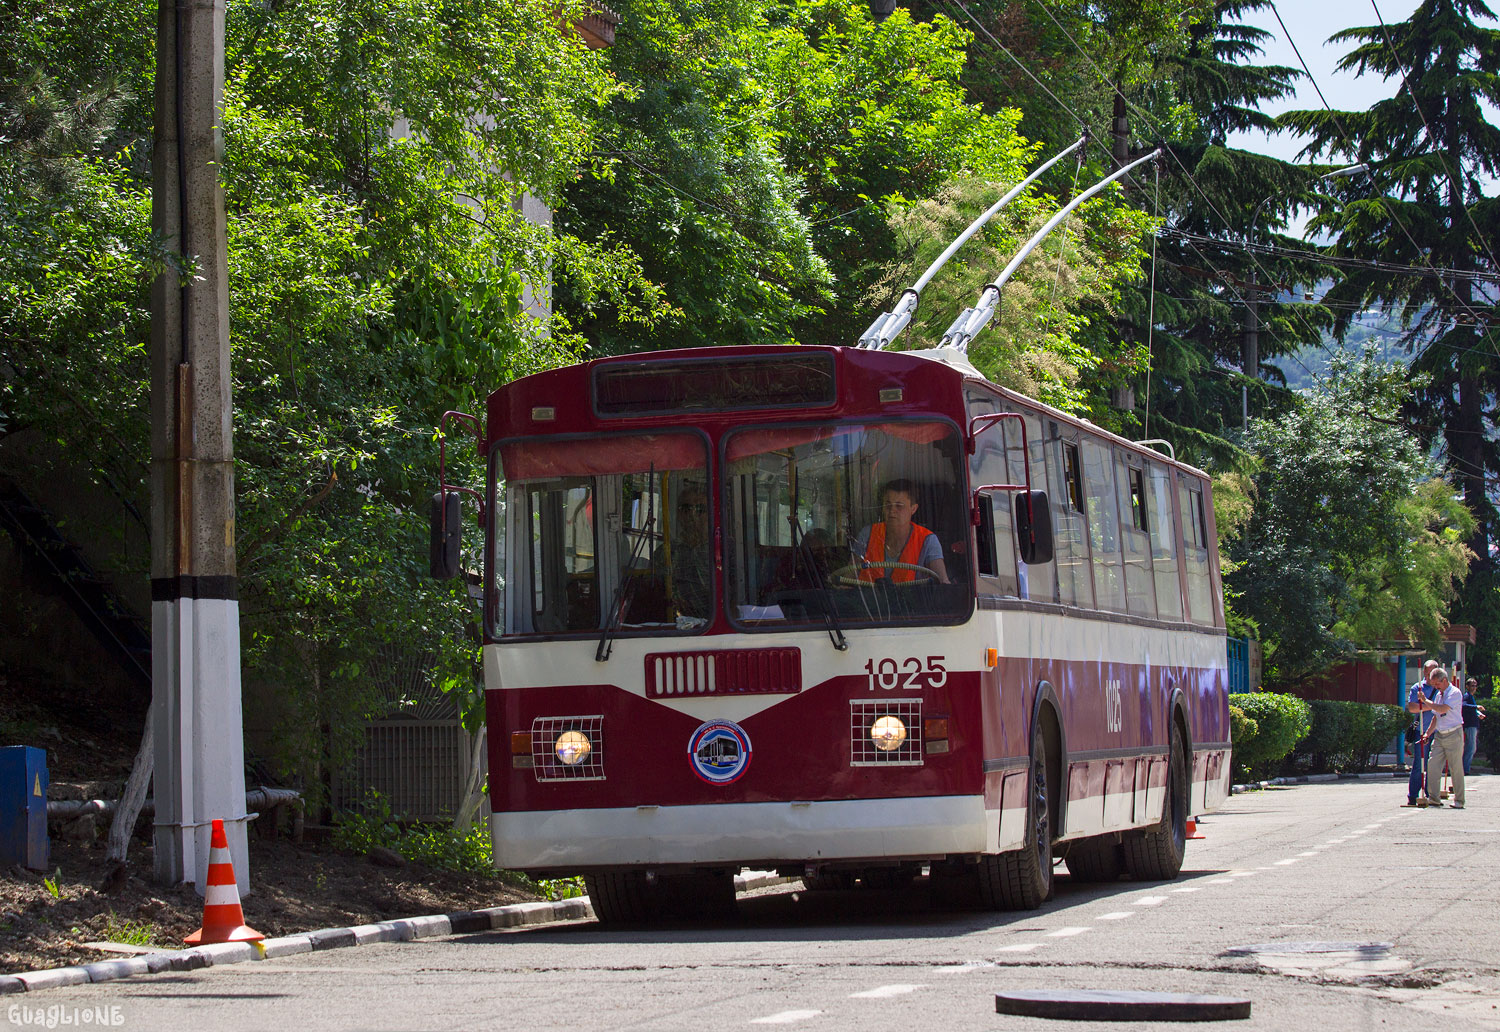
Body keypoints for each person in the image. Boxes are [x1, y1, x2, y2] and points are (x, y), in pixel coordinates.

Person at [850, 479, 949, 584]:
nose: (892, 510)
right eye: (888, 505)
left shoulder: (927, 540)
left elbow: (943, 584)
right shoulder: (867, 535)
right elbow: (849, 578)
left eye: (899, 506)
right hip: (868, 600)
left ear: (913, 509)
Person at [1415, 666, 1466, 809]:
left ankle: (1459, 800)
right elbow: (1436, 717)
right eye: (1434, 685)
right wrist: (1427, 734)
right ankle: (1434, 798)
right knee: (1432, 765)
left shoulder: (1454, 693)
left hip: (1454, 734)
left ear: (1444, 680)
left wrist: (1425, 700)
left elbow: (1442, 709)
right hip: (1439, 735)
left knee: (1456, 768)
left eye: (1437, 684)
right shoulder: (1439, 695)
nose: (1436, 687)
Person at [669, 485, 712, 621]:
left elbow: (738, 597)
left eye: (700, 509)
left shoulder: (727, 550)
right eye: (687, 509)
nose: (693, 516)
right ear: (678, 514)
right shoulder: (666, 553)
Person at [1405, 660, 1440, 807]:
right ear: (1424, 672)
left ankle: (1431, 794)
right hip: (1422, 731)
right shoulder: (1417, 688)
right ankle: (1413, 795)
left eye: (1434, 673)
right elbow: (1413, 708)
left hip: (1438, 732)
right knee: (1419, 764)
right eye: (1428, 672)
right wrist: (1432, 705)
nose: (1430, 676)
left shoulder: (1442, 689)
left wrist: (1425, 704)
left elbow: (1446, 707)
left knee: (1434, 765)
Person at [1462, 677, 1487, 776]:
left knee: (1472, 747)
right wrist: (1476, 707)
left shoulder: (1471, 697)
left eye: (1475, 686)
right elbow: (1463, 706)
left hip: (1473, 725)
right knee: (1471, 747)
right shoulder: (1466, 696)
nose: (1474, 688)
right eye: (1472, 685)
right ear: (1467, 686)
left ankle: (1465, 767)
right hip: (1469, 725)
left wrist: (1478, 714)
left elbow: (1471, 709)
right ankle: (1465, 769)